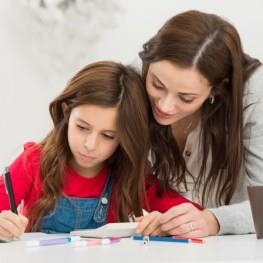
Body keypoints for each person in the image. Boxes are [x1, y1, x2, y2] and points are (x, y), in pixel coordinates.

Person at [0, 61, 200, 241]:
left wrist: (167, 224)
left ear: (124, 138)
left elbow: (195, 217)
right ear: (66, 112)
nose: (90, 144)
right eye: (82, 127)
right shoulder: (33, 161)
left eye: (108, 136)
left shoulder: (129, 176)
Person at [138, 10, 263, 237]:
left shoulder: (255, 94)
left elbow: (262, 207)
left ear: (217, 88)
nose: (165, 106)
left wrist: (213, 220)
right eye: (157, 84)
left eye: (186, 98)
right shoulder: (133, 79)